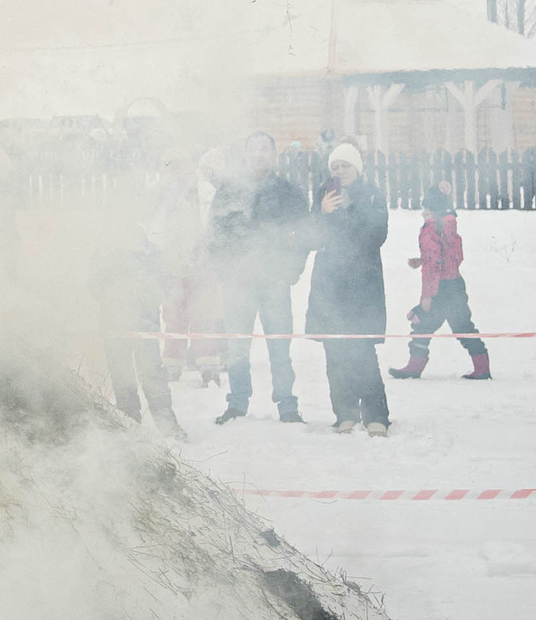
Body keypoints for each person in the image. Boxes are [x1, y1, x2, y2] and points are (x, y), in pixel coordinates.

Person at [209, 132, 309, 425]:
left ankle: (287, 405)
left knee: (279, 346)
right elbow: (214, 234)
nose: (258, 155)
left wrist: (289, 274)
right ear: (245, 154)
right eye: (252, 149)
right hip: (238, 282)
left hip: (274, 281)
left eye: (264, 149)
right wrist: (224, 272)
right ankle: (237, 403)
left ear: (274, 155)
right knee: (237, 346)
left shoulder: (289, 192)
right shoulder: (229, 190)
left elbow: (302, 235)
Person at [307, 142, 391, 436]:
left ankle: (376, 415)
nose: (340, 171)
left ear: (357, 168)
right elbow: (313, 239)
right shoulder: (323, 194)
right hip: (329, 285)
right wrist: (322, 212)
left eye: (345, 165)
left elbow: (377, 234)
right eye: (335, 166)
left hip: (363, 285)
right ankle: (344, 413)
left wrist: (351, 207)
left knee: (363, 351)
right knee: (335, 352)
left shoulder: (371, 194)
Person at [391, 182, 491, 381]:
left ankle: (414, 367)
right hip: (455, 285)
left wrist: (427, 296)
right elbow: (452, 257)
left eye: (426, 210)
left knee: (421, 325)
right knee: (464, 327)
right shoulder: (450, 226)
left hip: (439, 289)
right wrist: (423, 259)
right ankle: (482, 367)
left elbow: (433, 267)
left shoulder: (430, 229)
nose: (423, 214)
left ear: (433, 211)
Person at [150, 150, 220, 385]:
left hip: (203, 266)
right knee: (173, 316)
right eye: (174, 168)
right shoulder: (161, 195)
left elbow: (217, 227)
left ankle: (208, 365)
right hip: (172, 266)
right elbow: (153, 228)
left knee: (203, 315)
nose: (179, 173)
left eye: (183, 167)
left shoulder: (209, 193)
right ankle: (172, 364)